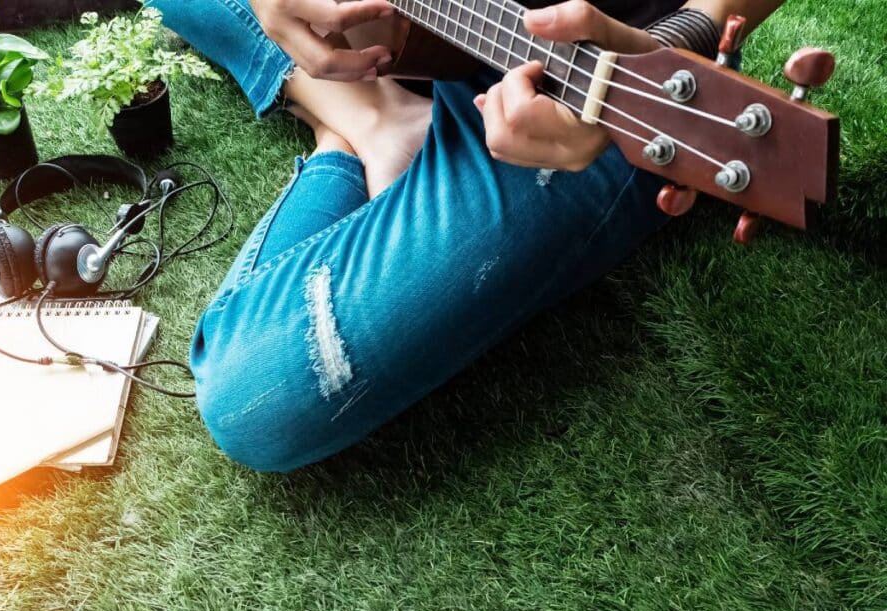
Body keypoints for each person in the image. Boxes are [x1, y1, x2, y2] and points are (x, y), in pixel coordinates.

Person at [147, 0, 783, 472]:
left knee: (255, 395)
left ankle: (351, 119)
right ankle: (371, 119)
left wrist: (691, 27)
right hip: (424, 24)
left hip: (591, 82)